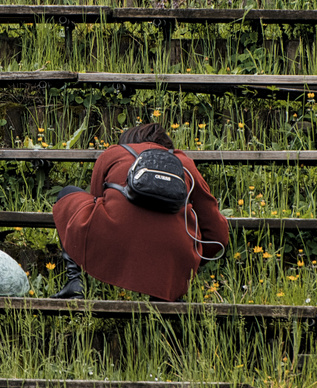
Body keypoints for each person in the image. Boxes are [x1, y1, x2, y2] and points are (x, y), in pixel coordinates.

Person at [50, 123, 229, 301]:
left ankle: (76, 282)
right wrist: (188, 264)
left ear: (128, 141)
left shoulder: (114, 153)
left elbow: (96, 200)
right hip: (173, 252)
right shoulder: (185, 164)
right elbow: (217, 233)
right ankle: (164, 291)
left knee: (67, 194)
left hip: (112, 237)